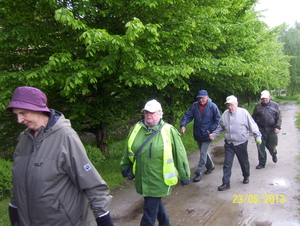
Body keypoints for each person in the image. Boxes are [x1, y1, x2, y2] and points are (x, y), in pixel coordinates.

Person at [6, 86, 114, 226]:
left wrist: (104, 219)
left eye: (23, 113)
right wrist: (14, 211)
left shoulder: (65, 136)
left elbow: (91, 183)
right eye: (16, 114)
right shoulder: (23, 138)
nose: (19, 120)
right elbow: (19, 182)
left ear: (38, 109)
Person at [120, 99, 190, 226]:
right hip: (142, 178)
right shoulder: (136, 129)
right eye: (146, 112)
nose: (148, 115)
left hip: (159, 179)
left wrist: (184, 175)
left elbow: (180, 155)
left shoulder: (169, 131)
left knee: (149, 212)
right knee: (153, 202)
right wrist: (125, 167)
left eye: (152, 112)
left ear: (160, 113)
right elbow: (128, 150)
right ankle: (165, 223)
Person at [209, 95, 262, 191]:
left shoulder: (244, 113)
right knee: (227, 164)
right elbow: (220, 127)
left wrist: (257, 136)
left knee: (243, 162)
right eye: (228, 105)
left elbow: (253, 126)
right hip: (229, 143)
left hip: (241, 142)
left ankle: (246, 176)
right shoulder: (225, 114)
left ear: (237, 104)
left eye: (231, 105)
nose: (230, 107)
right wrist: (214, 135)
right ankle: (226, 183)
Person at [180, 90, 220, 182]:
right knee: (204, 152)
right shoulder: (195, 105)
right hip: (198, 133)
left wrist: (210, 130)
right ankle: (211, 167)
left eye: (203, 98)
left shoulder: (212, 106)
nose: (201, 100)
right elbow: (188, 115)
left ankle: (199, 172)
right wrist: (183, 125)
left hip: (207, 134)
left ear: (207, 97)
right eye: (199, 98)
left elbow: (218, 120)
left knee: (202, 153)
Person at [252, 90, 282, 169]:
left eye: (265, 98)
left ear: (269, 97)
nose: (264, 100)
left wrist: (277, 127)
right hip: (260, 130)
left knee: (271, 146)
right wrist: (251, 128)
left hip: (271, 129)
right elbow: (253, 118)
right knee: (260, 147)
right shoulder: (258, 106)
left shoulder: (275, 105)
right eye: (263, 98)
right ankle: (262, 163)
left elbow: (279, 117)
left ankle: (274, 154)